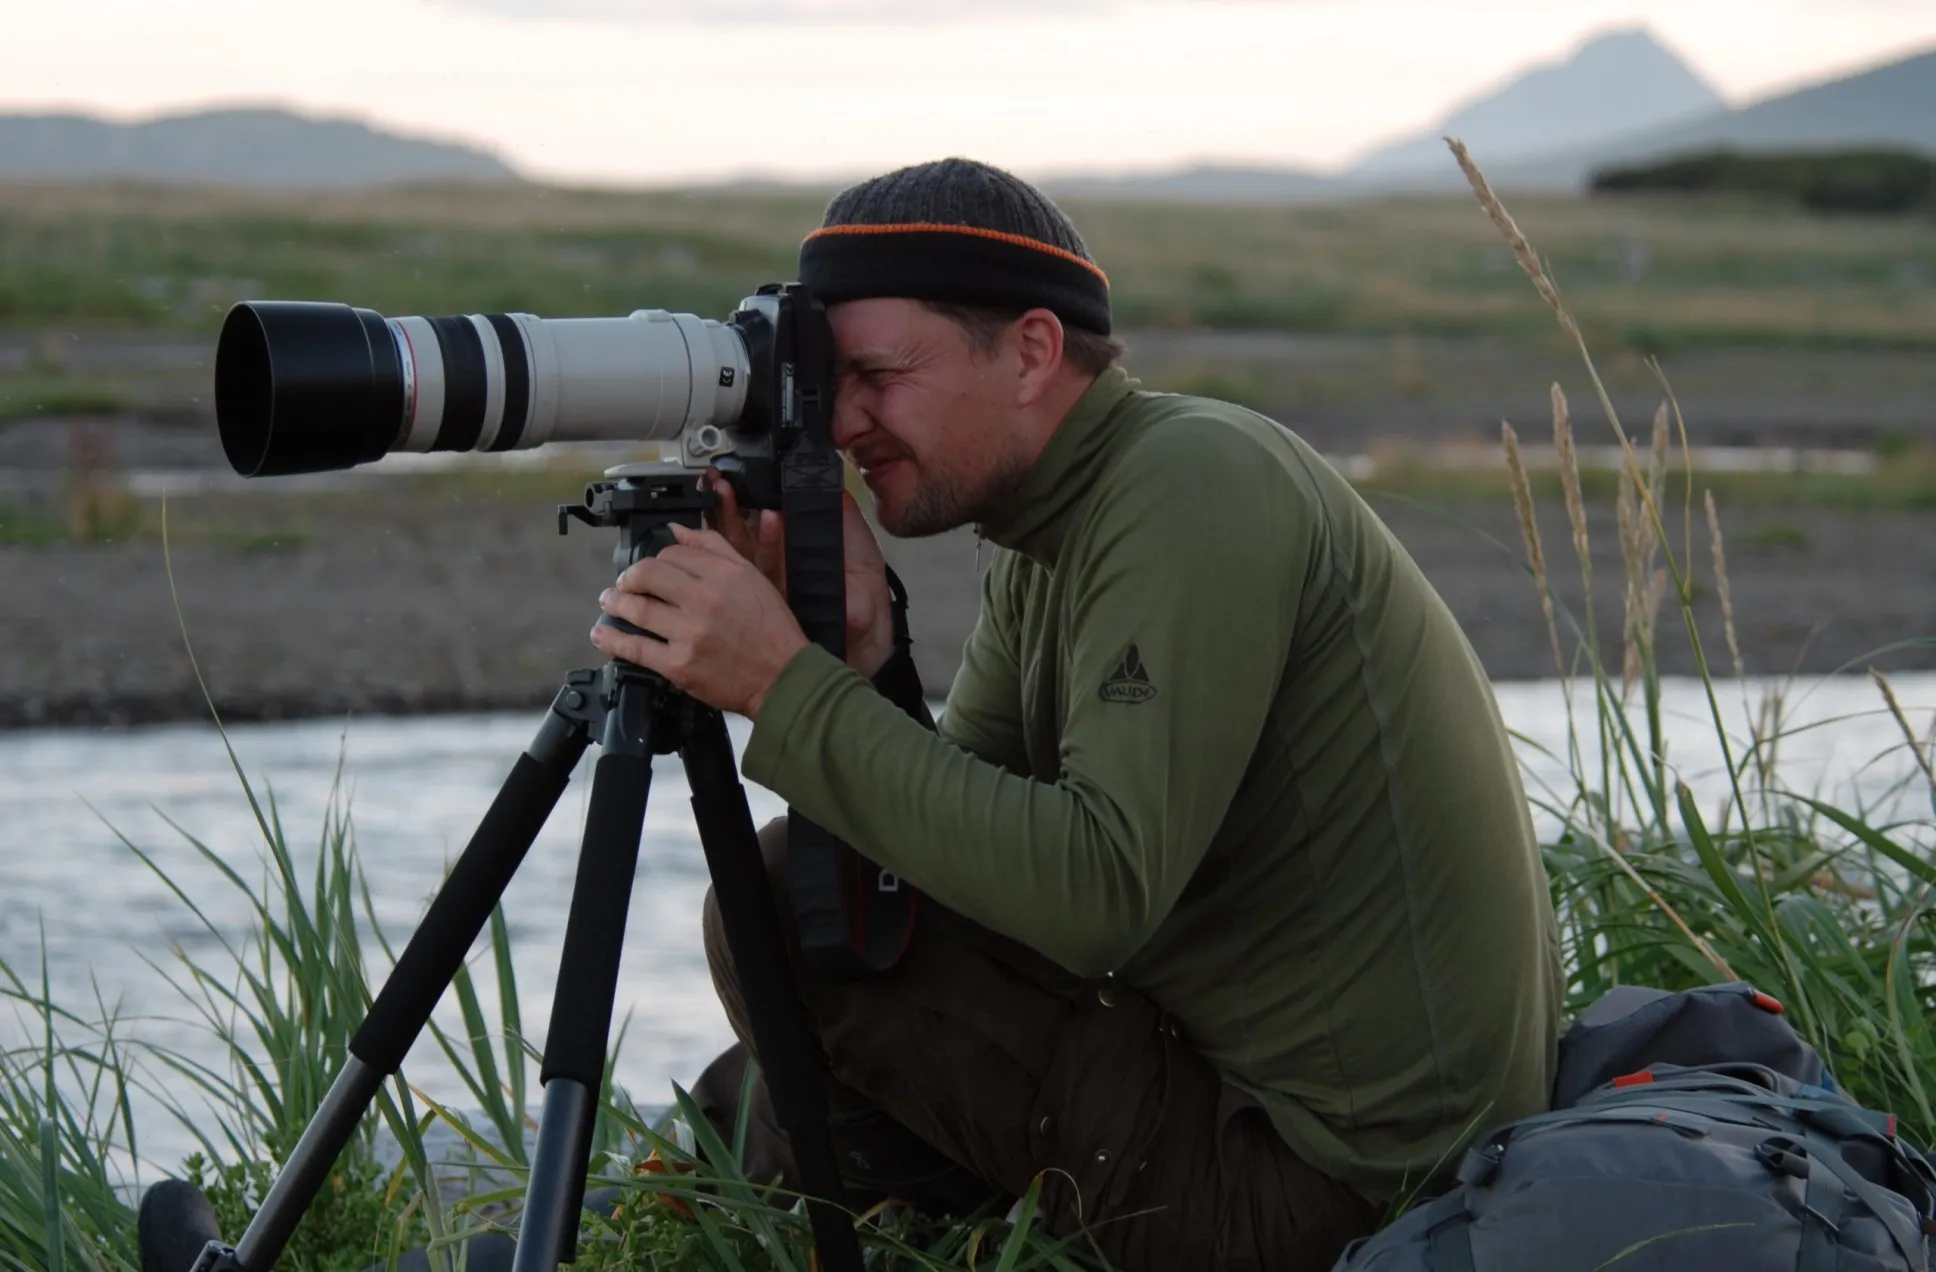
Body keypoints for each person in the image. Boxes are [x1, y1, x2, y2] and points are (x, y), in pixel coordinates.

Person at [589, 157, 1564, 1271]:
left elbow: (1093, 895)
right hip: (1250, 1113)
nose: (847, 423)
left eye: (880, 376)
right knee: (828, 921)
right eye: (829, 383)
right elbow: (955, 888)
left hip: (1341, 1194)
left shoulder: (1193, 480)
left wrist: (779, 689)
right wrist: (857, 661)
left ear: (1033, 352)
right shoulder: (1047, 533)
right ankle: (799, 1229)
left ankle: (793, 1234)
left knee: (767, 901)